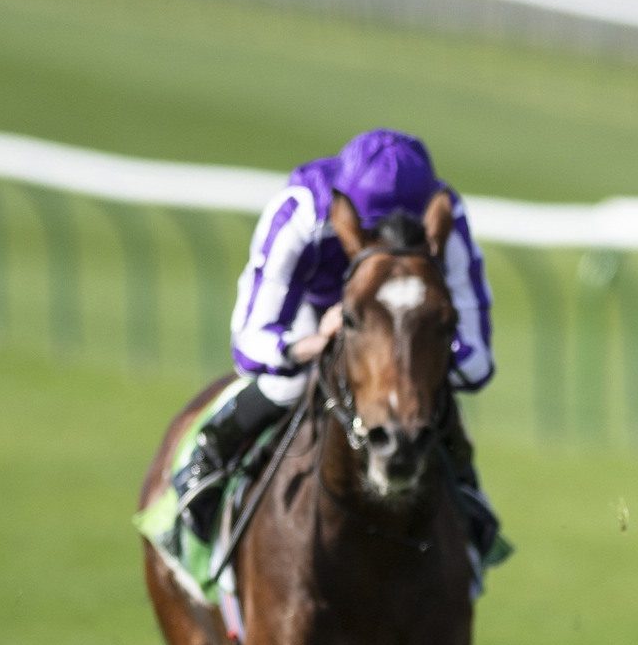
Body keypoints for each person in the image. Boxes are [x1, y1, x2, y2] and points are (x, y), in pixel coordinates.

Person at [174, 128, 500, 558]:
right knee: (285, 385)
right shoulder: (303, 210)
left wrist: (420, 365)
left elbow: (477, 359)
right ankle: (209, 462)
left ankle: (469, 508)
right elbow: (250, 341)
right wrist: (308, 346)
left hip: (407, 326)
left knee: (428, 404)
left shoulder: (446, 215)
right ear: (345, 214)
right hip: (319, 314)